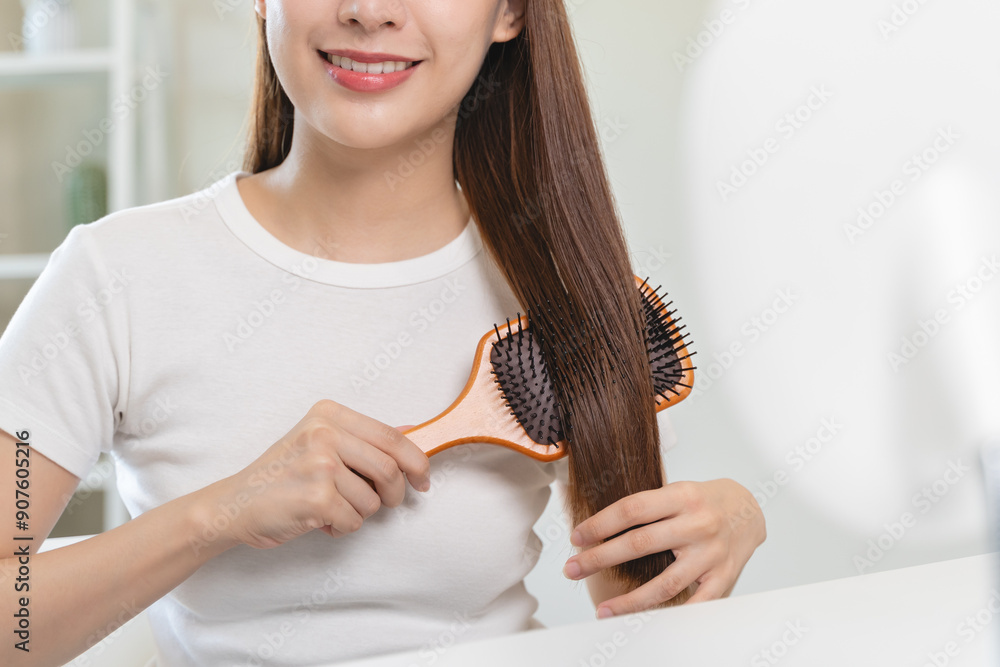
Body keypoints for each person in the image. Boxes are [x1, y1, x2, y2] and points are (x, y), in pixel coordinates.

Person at [0, 1, 765, 665]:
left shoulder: (553, 293)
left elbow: (641, 621)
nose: (371, 9)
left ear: (512, 12)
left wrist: (720, 532)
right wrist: (218, 514)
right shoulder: (115, 277)